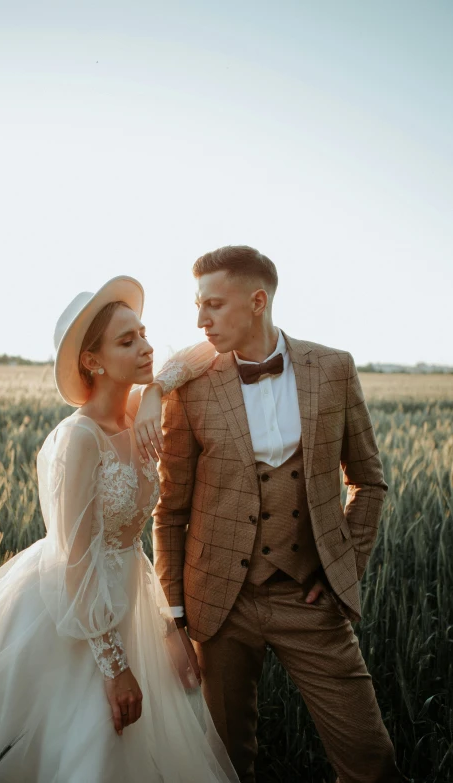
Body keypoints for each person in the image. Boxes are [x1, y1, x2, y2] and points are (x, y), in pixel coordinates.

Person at [0, 276, 238, 783]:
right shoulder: (80, 439)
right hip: (75, 614)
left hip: (131, 594)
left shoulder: (138, 414)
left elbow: (206, 350)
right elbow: (74, 558)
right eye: (127, 341)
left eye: (143, 333)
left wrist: (158, 388)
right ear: (92, 361)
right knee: (93, 745)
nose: (145, 346)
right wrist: (114, 668)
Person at [153, 246, 403, 783]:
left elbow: (369, 481)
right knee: (226, 765)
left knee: (371, 760)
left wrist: (342, 565)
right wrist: (174, 621)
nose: (201, 321)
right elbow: (170, 511)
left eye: (214, 305)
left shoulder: (333, 368)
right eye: (199, 306)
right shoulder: (191, 389)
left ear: (258, 300)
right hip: (218, 604)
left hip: (309, 601)